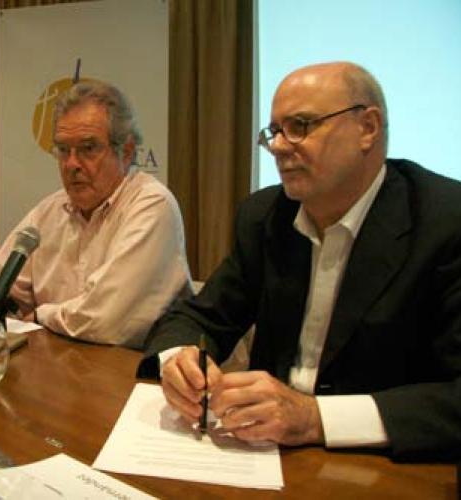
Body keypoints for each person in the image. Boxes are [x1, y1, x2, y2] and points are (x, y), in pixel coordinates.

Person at [139, 62, 461, 461]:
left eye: (300, 126)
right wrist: (179, 362)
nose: (278, 146)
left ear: (368, 128)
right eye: (274, 131)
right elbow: (201, 316)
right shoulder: (265, 215)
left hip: (386, 466)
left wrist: (314, 418)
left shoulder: (446, 222)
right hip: (267, 457)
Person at [0, 81, 191, 348]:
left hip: (134, 367)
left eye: (88, 148)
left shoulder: (151, 205)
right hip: (63, 361)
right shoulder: (50, 211)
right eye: (63, 150)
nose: (71, 164)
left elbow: (106, 320)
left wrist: (42, 315)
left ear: (126, 151)